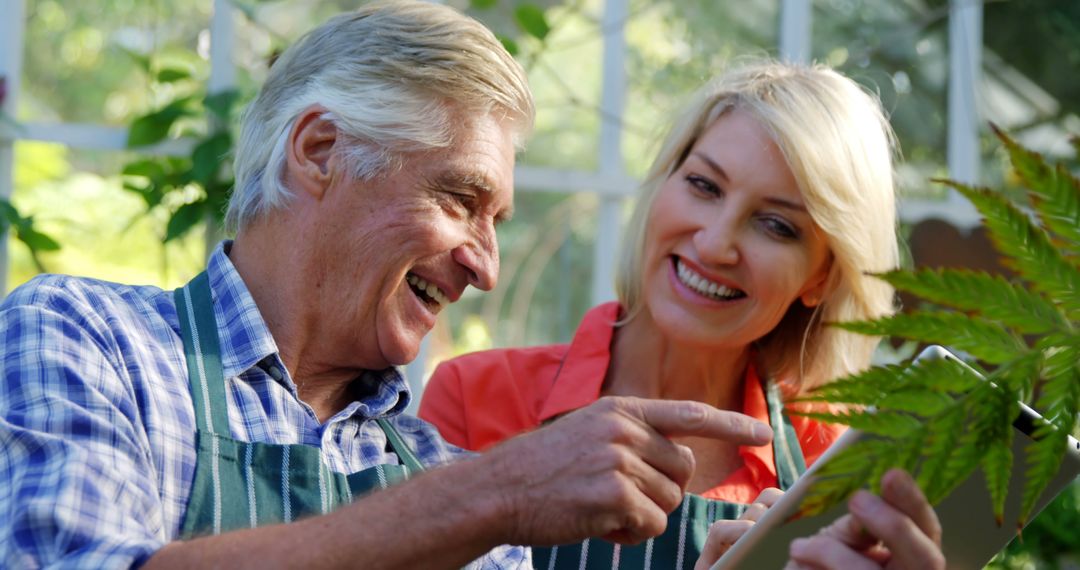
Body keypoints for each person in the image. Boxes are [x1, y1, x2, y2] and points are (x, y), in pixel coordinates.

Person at [0, 3, 779, 568]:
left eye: (499, 221)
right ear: (320, 149)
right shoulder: (88, 338)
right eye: (461, 200)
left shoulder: (439, 474)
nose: (486, 265)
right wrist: (492, 493)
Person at [420, 60, 945, 568]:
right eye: (704, 186)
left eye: (777, 226)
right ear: (663, 182)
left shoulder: (838, 457)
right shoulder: (474, 397)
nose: (716, 244)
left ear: (821, 278)